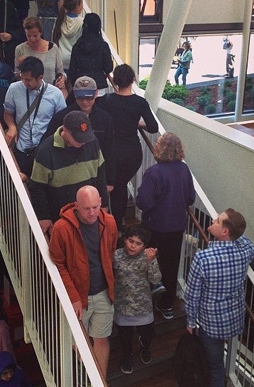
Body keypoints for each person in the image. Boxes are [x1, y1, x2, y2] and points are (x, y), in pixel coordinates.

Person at [49, 185, 117, 378]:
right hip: (79, 295)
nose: (92, 212)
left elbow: (110, 252)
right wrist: (74, 296)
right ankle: (88, 375)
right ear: (76, 205)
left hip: (104, 292)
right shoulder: (62, 228)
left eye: (95, 207)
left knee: (102, 339)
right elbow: (58, 264)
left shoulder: (109, 222)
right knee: (79, 342)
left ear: (101, 203)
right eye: (86, 208)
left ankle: (99, 381)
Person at [185, 208, 254, 387]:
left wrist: (191, 322)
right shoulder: (246, 252)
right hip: (234, 319)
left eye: (218, 220)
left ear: (225, 232)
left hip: (211, 324)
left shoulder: (203, 258)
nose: (213, 220)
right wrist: (237, 229)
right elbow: (245, 240)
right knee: (217, 364)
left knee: (215, 367)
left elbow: (192, 295)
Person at [136, 132, 195, 319]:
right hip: (176, 226)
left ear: (162, 148)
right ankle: (167, 304)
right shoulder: (184, 170)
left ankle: (144, 300)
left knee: (147, 261)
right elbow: (191, 198)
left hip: (155, 226)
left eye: (158, 143)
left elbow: (143, 202)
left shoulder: (154, 172)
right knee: (171, 265)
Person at [29, 110, 108, 235]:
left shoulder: (92, 142)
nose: (82, 142)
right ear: (64, 130)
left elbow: (101, 175)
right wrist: (44, 216)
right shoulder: (45, 151)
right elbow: (37, 187)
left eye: (85, 137)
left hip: (89, 214)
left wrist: (104, 204)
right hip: (61, 216)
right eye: (78, 139)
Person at [100, 64, 159, 231]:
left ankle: (115, 227)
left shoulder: (107, 100)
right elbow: (153, 127)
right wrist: (138, 123)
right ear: (133, 80)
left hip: (112, 153)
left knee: (116, 187)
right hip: (133, 153)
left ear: (115, 81)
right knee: (120, 185)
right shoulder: (140, 102)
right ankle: (119, 226)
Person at [42, 76, 115, 191]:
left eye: (89, 98)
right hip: (67, 174)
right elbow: (47, 143)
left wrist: (109, 180)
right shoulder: (61, 117)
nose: (85, 102)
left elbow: (109, 150)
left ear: (96, 94)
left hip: (94, 173)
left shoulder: (105, 119)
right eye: (80, 98)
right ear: (74, 94)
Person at [4, 56, 66, 177]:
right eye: (22, 78)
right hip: (21, 149)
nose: (24, 83)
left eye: (28, 80)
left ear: (40, 78)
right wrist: (12, 127)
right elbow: (8, 112)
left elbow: (62, 122)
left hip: (45, 151)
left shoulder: (55, 94)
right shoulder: (14, 89)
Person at [113, 224, 161, 374]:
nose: (133, 246)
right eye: (130, 241)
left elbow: (155, 279)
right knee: (124, 338)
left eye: (138, 243)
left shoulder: (148, 257)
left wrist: (151, 261)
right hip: (122, 305)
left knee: (148, 334)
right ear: (125, 240)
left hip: (142, 306)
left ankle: (144, 347)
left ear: (144, 245)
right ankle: (127, 357)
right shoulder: (117, 255)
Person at [15, 17, 67, 93]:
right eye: (29, 36)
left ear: (41, 32)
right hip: (29, 92)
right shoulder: (20, 49)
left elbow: (61, 72)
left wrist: (62, 79)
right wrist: (22, 67)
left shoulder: (53, 48)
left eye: (35, 36)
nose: (32, 39)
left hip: (50, 91)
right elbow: (16, 76)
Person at [68, 13, 113, 99]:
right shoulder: (103, 45)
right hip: (99, 87)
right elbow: (108, 68)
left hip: (81, 86)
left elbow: (72, 70)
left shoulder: (77, 46)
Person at [52, 0, 84, 76]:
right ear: (77, 6)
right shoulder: (82, 22)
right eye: (82, 4)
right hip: (74, 60)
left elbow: (53, 38)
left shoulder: (59, 20)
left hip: (60, 59)